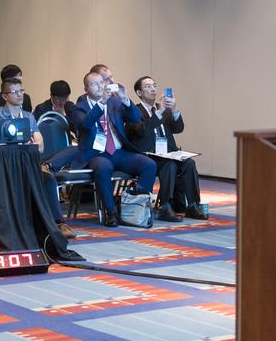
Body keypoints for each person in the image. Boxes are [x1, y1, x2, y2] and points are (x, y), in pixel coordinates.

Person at [68, 68, 156, 227]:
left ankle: (134, 208)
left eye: (101, 83)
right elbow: (86, 124)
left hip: (119, 151)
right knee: (103, 167)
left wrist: (125, 99)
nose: (100, 87)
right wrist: (101, 103)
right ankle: (111, 212)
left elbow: (136, 119)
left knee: (149, 164)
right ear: (86, 89)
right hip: (96, 154)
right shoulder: (79, 108)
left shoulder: (115, 102)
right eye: (94, 84)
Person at [0, 77, 76, 240]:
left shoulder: (28, 116)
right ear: (5, 96)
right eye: (15, 92)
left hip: (33, 159)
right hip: (13, 164)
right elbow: (2, 147)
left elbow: (41, 145)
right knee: (48, 178)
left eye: (21, 91)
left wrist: (23, 143)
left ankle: (48, 165)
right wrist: (27, 143)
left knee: (74, 149)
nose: (20, 95)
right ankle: (58, 222)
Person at [127, 75, 206, 222]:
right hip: (148, 156)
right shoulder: (134, 111)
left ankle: (193, 205)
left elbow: (178, 128)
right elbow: (141, 131)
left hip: (169, 153)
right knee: (169, 165)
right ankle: (165, 206)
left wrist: (174, 111)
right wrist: (158, 113)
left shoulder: (162, 108)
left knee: (189, 163)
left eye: (154, 86)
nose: (153, 89)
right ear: (139, 92)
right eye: (148, 86)